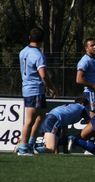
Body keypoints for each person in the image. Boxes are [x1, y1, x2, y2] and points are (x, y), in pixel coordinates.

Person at [16, 27, 57, 156]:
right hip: (35, 89)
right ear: (42, 40)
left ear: (30, 37)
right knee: (30, 120)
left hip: (27, 88)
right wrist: (52, 87)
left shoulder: (23, 51)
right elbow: (43, 75)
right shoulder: (38, 55)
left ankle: (30, 144)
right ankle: (23, 148)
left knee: (41, 116)